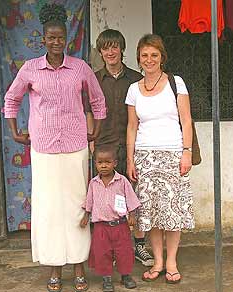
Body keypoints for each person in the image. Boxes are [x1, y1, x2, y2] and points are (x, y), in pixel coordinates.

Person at [3, 4, 106, 292]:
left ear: (66, 39)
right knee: (49, 210)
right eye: (51, 37)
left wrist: (95, 129)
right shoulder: (30, 69)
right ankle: (54, 269)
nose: (56, 42)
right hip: (44, 149)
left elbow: (97, 101)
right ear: (43, 39)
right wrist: (14, 132)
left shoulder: (80, 68)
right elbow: (11, 101)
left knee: (76, 207)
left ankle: (79, 266)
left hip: (75, 147)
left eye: (60, 37)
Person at [126, 34, 195, 284]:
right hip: (145, 156)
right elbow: (132, 127)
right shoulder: (134, 89)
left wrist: (186, 152)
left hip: (173, 154)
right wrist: (131, 159)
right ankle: (157, 261)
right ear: (139, 59)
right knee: (152, 214)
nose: (149, 59)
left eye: (154, 55)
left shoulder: (176, 83)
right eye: (144, 55)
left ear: (161, 57)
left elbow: (186, 120)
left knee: (172, 212)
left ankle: (172, 262)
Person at [87, 28, 154, 267]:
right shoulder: (93, 79)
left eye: (115, 46)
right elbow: (89, 112)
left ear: (122, 49)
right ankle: (112, 250)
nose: (111, 52)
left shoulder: (137, 79)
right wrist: (92, 145)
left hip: (132, 147)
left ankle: (138, 246)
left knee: (135, 197)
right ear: (100, 51)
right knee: (107, 201)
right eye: (106, 47)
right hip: (104, 149)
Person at [80, 145, 140, 292]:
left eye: (107, 162)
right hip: (101, 226)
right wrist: (86, 216)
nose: (104, 166)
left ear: (115, 163)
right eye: (100, 162)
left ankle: (125, 275)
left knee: (124, 251)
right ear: (95, 164)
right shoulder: (93, 183)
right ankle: (106, 277)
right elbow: (89, 201)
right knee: (102, 252)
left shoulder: (122, 181)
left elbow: (131, 198)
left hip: (120, 225)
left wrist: (132, 215)